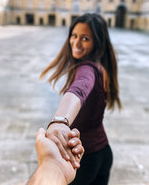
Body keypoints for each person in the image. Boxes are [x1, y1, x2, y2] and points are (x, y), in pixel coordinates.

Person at [39, 13, 122, 185]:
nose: (76, 42)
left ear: (97, 43)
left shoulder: (88, 69)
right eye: (74, 35)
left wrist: (60, 121)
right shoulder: (101, 67)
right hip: (103, 153)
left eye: (85, 38)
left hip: (85, 160)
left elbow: (79, 90)